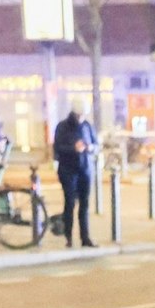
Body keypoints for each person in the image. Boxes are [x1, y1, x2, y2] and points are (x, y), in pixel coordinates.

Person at [51, 105, 96, 246]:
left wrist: (90, 147)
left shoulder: (87, 126)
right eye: (78, 115)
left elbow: (96, 143)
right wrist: (73, 149)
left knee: (85, 205)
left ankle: (85, 237)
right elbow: (57, 147)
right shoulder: (63, 127)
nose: (80, 118)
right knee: (70, 203)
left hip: (85, 170)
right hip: (68, 170)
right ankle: (68, 237)